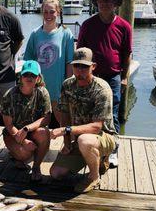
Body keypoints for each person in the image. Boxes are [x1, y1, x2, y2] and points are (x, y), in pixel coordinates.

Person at [77, 0, 132, 168]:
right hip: (91, 76)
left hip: (113, 76)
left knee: (113, 113)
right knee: (88, 110)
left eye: (109, 0)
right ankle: (90, 146)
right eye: (101, 0)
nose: (105, 4)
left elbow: (127, 53)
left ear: (116, 4)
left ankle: (113, 148)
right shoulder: (87, 25)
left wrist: (125, 77)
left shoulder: (124, 26)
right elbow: (80, 51)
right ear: (97, 3)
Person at [50, 48, 118, 193]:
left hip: (104, 136)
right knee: (56, 173)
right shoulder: (67, 85)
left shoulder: (102, 89)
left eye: (84, 67)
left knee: (85, 141)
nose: (80, 70)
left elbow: (97, 127)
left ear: (93, 66)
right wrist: (67, 142)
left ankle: (94, 176)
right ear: (72, 66)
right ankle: (95, 160)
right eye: (77, 66)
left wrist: (66, 130)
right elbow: (65, 115)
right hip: (79, 137)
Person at [24, 0, 74, 126]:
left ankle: (68, 146)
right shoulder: (35, 34)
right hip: (39, 86)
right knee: (38, 122)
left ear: (58, 12)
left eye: (52, 11)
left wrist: (68, 86)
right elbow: (28, 62)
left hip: (58, 87)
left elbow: (69, 62)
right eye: (45, 12)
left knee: (63, 121)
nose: (48, 15)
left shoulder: (66, 33)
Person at [1, 60, 51, 182]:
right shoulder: (10, 94)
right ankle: (17, 156)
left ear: (38, 77)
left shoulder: (42, 92)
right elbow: (8, 124)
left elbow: (47, 118)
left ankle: (36, 167)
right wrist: (23, 141)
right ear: (21, 76)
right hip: (13, 133)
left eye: (33, 75)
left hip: (30, 131)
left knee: (44, 132)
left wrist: (27, 129)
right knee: (24, 155)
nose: (29, 78)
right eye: (26, 75)